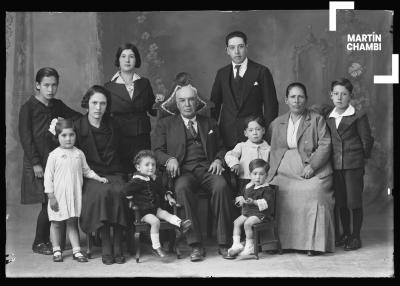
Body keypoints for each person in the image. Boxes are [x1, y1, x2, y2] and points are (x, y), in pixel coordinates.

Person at [152, 83, 233, 262]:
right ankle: (195, 245)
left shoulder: (210, 123)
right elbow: (157, 151)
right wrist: (169, 159)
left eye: (191, 100)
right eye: (182, 100)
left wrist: (219, 160)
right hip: (183, 171)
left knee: (221, 186)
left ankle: (224, 243)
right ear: (177, 104)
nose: (187, 104)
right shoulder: (165, 124)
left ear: (197, 102)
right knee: (182, 189)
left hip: (207, 169)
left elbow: (222, 147)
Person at [18, 67, 81, 255]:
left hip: (56, 161)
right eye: (46, 85)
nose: (50, 89)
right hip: (37, 162)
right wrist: (36, 163)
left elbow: (77, 117)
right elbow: (25, 138)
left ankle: (55, 240)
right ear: (38, 85)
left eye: (54, 85)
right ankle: (40, 241)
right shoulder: (28, 108)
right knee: (47, 202)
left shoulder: (57, 105)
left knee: (54, 201)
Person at [267, 82, 335, 256]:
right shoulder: (277, 123)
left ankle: (312, 244)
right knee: (274, 191)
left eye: (301, 97)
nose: (297, 101)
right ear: (286, 100)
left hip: (311, 166)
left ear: (306, 99)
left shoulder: (316, 119)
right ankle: (279, 243)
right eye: (292, 97)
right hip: (283, 169)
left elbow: (325, 144)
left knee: (314, 191)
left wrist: (313, 166)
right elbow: (270, 147)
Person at [74, 85, 129, 265]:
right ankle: (106, 244)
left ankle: (118, 244)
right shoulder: (77, 126)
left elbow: (123, 152)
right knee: (101, 193)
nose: (98, 108)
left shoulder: (114, 124)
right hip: (90, 176)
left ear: (107, 105)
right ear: (87, 103)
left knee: (120, 192)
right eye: (94, 103)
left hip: (114, 172)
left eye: (103, 104)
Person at [44, 119, 108, 263]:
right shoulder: (54, 155)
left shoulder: (79, 153)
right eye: (64, 135)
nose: (68, 139)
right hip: (58, 195)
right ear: (58, 137)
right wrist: (51, 195)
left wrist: (99, 178)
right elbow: (48, 177)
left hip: (73, 195)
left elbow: (87, 171)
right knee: (56, 223)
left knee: (72, 222)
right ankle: (56, 250)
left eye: (71, 135)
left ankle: (77, 251)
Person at [326, 78, 374, 251]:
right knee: (341, 202)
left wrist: (360, 159)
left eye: (344, 94)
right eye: (336, 94)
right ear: (331, 95)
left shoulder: (358, 115)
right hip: (335, 166)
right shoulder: (329, 117)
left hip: (353, 165)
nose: (340, 97)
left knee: (354, 202)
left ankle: (355, 237)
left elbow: (366, 140)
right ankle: (345, 233)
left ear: (350, 96)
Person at [210, 31, 279, 150]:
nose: (237, 51)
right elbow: (214, 106)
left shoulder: (261, 71)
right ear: (227, 50)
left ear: (246, 48)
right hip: (226, 136)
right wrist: (212, 131)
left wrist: (267, 134)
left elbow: (271, 106)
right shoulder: (222, 74)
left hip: (254, 136)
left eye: (240, 46)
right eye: (232, 48)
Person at [121, 150, 192, 258]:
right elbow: (125, 190)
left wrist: (168, 197)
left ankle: (181, 224)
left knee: (165, 213)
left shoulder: (153, 179)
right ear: (138, 167)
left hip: (154, 209)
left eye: (153, 165)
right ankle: (156, 246)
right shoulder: (136, 181)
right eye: (147, 165)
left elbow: (161, 190)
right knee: (155, 221)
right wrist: (130, 199)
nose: (151, 167)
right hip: (143, 212)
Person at [104, 42, 157, 175]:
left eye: (131, 56)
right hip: (119, 138)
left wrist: (159, 103)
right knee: (123, 176)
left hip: (141, 138)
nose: (127, 60)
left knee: (144, 175)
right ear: (118, 60)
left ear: (136, 60)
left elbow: (153, 110)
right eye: (123, 56)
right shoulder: (109, 87)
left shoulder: (144, 83)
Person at [224, 159, 275, 259]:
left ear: (266, 175)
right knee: (236, 222)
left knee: (248, 223)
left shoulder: (267, 189)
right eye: (255, 174)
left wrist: (254, 202)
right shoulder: (248, 186)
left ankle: (250, 246)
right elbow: (242, 196)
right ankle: (236, 244)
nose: (257, 177)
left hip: (261, 214)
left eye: (261, 174)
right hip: (248, 212)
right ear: (250, 175)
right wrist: (240, 199)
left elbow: (266, 203)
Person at [224, 115, 270, 194]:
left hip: (263, 181)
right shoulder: (242, 146)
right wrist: (234, 163)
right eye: (251, 130)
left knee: (260, 201)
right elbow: (229, 155)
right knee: (244, 201)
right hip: (245, 180)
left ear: (263, 131)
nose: (255, 133)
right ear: (245, 133)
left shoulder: (268, 149)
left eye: (258, 129)